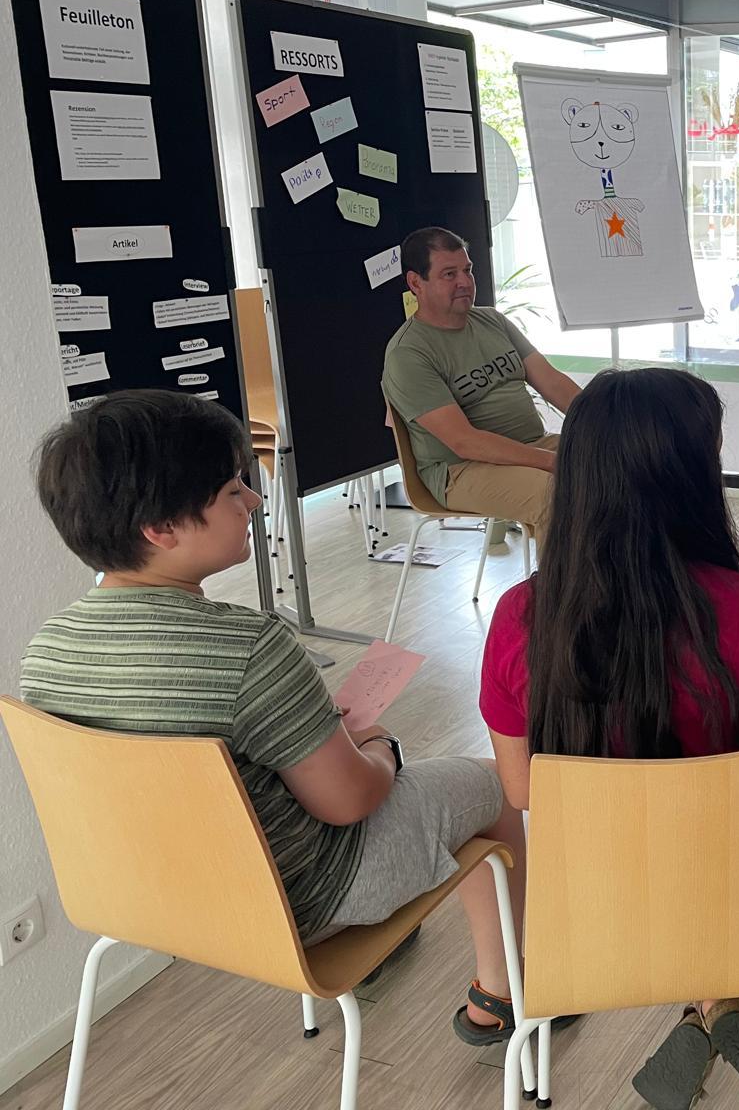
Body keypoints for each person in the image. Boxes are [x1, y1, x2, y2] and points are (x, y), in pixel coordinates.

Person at [22, 390, 529, 1047]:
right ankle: (503, 994)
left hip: (144, 902)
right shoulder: (247, 645)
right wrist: (379, 748)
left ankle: (400, 942)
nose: (255, 502)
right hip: (299, 904)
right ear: (162, 528)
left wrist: (311, 733)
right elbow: (350, 801)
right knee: (495, 786)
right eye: (233, 490)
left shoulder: (46, 652)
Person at [477, 368, 739, 1110]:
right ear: (688, 476)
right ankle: (717, 992)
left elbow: (522, 789)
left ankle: (710, 998)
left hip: (595, 909)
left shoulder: (519, 617)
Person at [381, 227, 580, 557]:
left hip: (531, 447)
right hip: (459, 471)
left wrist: (611, 426)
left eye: (467, 270)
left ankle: (642, 589)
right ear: (416, 283)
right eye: (449, 274)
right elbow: (464, 441)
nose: (464, 282)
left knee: (629, 463)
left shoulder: (493, 321)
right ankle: (564, 605)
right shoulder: (408, 354)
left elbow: (554, 383)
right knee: (555, 495)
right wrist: (551, 462)